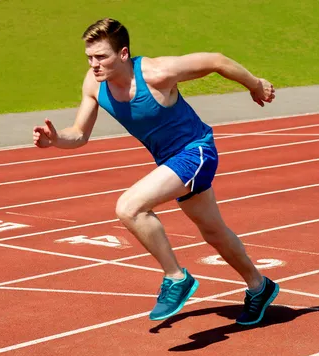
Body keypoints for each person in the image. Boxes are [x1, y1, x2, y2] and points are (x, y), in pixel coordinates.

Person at [33, 18, 278, 325]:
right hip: (170, 162)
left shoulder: (156, 72)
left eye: (101, 57)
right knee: (214, 232)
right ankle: (259, 286)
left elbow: (216, 60)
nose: (94, 65)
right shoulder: (93, 84)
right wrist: (56, 140)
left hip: (196, 151)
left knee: (129, 207)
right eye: (89, 58)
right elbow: (80, 134)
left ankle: (176, 278)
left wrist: (255, 85)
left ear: (123, 54)